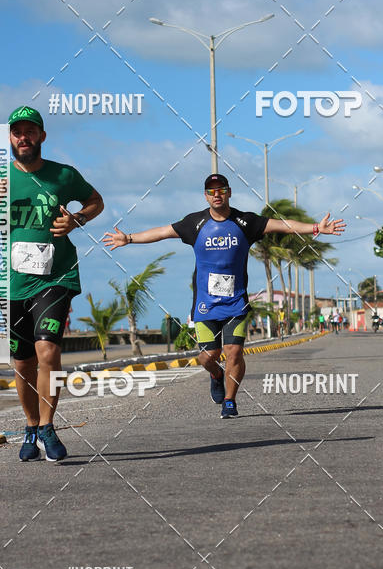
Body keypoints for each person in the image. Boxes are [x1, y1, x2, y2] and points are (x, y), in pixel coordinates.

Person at [103, 173, 345, 418]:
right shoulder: (194, 223)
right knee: (208, 357)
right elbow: (163, 232)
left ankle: (230, 401)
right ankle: (216, 374)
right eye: (211, 191)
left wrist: (316, 228)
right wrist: (129, 238)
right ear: (206, 196)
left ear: (229, 192)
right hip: (205, 304)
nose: (216, 194)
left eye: (221, 190)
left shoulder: (245, 222)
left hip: (236, 301)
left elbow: (282, 225)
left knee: (234, 351)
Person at [0, 106, 103, 461]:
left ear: (42, 136)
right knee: (23, 363)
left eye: (30, 131)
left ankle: (48, 425)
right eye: (17, 132)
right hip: (11, 283)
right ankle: (31, 425)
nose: (23, 137)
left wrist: (76, 220)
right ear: (10, 138)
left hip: (55, 277)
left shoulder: (63, 175)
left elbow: (96, 201)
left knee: (49, 351)